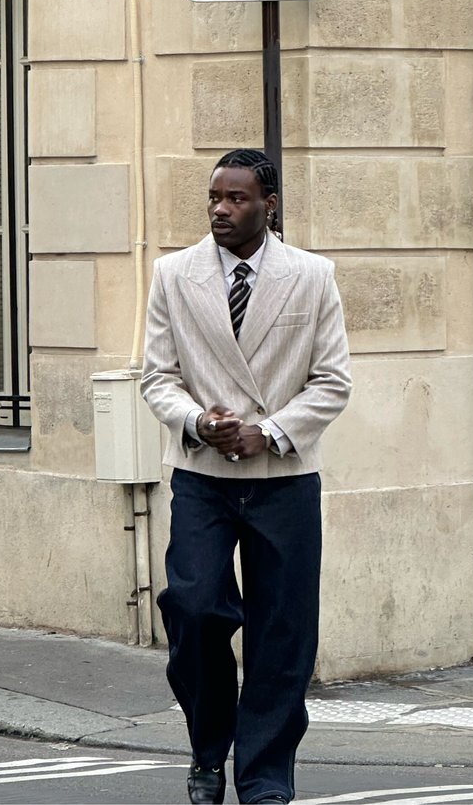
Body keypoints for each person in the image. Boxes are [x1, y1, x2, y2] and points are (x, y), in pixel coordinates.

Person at [141, 149, 351, 805]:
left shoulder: (312, 276)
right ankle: (208, 748)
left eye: (236, 198)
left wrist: (271, 430)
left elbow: (332, 381)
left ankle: (264, 780)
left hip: (285, 476)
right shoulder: (173, 274)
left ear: (269, 204)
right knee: (194, 607)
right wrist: (197, 421)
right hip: (201, 474)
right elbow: (156, 376)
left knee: (282, 633)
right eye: (215, 197)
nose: (221, 209)